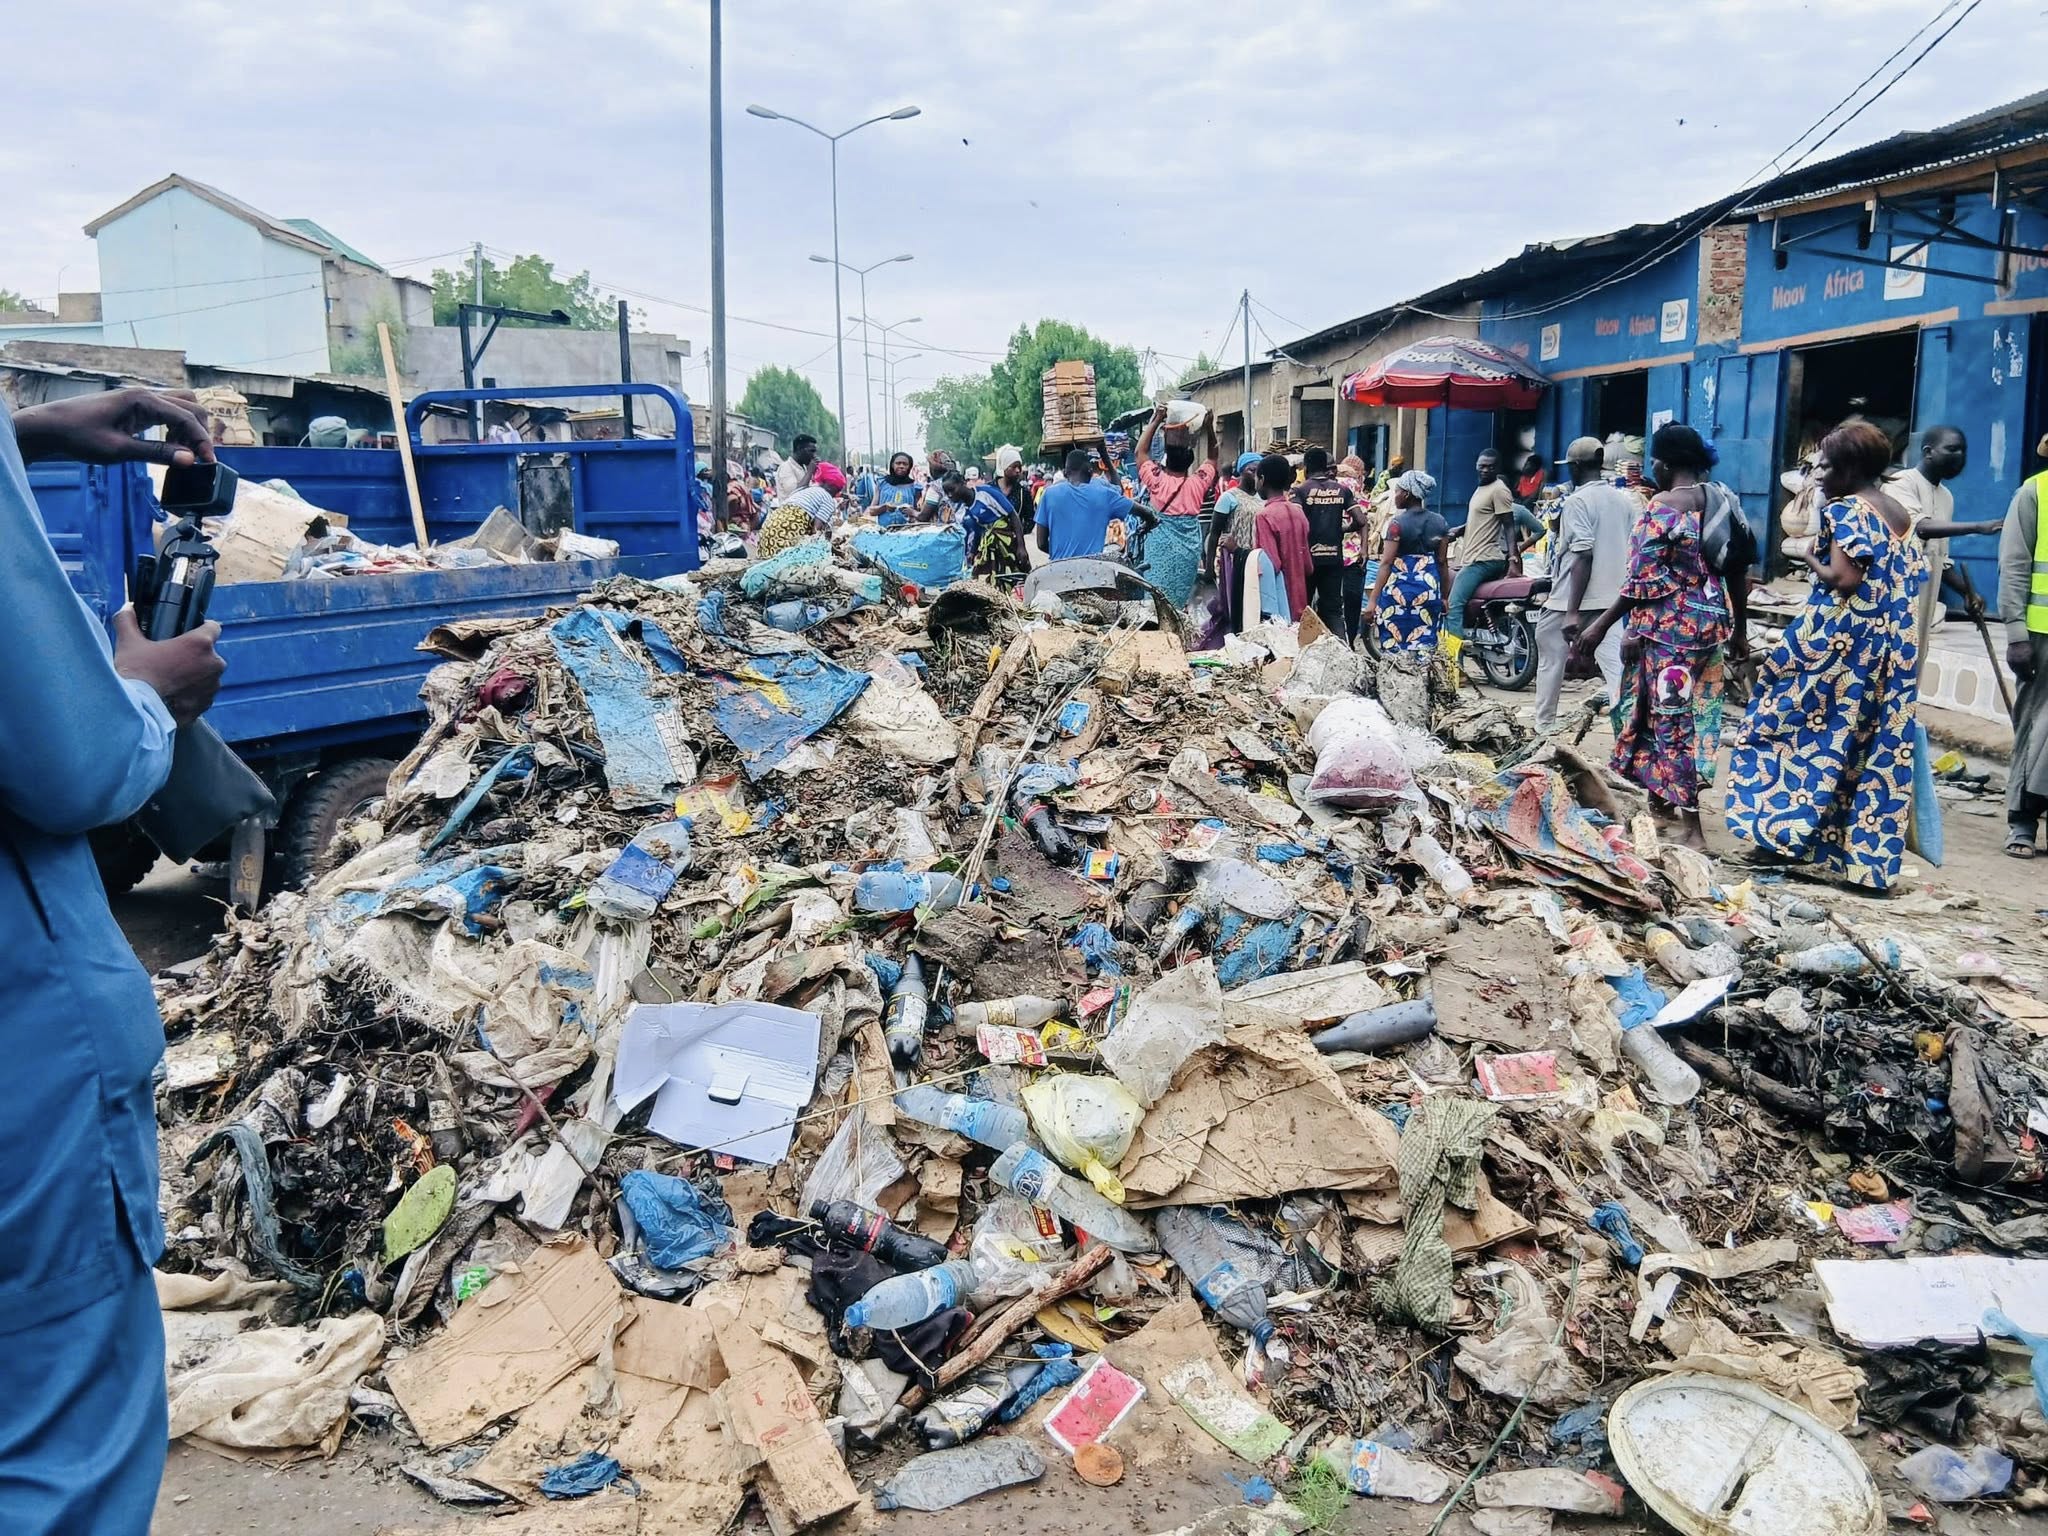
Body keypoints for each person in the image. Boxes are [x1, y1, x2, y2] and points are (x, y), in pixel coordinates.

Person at [1, 388, 229, 1535]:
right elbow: (72, 763)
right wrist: (147, 694)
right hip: (19, 1060)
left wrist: (22, 434)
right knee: (58, 1450)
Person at [1724, 420, 1926, 888]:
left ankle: (1777, 838)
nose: (1818, 475)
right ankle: (1865, 866)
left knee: (1781, 728)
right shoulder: (1899, 512)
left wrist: (1806, 554)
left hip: (1838, 646)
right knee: (1868, 750)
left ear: (1851, 468)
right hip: (1891, 650)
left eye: (1826, 466)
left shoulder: (1845, 510)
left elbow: (1844, 579)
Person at [1573, 423, 1744, 850]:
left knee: (1671, 723)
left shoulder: (1662, 508)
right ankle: (1659, 800)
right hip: (1711, 628)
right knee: (1677, 716)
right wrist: (1739, 630)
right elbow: (1738, 568)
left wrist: (1600, 626)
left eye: (1654, 461)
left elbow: (1641, 582)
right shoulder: (1720, 499)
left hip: (1671, 635)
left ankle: (1694, 830)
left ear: (1665, 464)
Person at [1533, 438, 1638, 733]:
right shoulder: (1624, 500)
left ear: (1576, 467)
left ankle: (1543, 729)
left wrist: (1572, 611)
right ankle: (1628, 734)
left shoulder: (1577, 502)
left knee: (1550, 659)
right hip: (1611, 601)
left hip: (1569, 599)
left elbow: (1583, 554)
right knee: (1617, 671)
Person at [1889, 426, 2003, 671]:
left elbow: (1939, 556)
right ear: (1928, 451)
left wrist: (1967, 592)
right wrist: (1977, 527)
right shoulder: (1901, 483)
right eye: (1952, 449)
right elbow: (1919, 527)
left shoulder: (1946, 496)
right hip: (1896, 598)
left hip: (1925, 602)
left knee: (1915, 662)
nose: (1959, 456)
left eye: (1963, 451)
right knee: (1892, 662)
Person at [2000, 440, 2048, 857]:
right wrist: (2016, 635)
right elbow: (2014, 564)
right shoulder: (2034, 493)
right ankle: (2022, 822)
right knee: (2033, 727)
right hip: (2040, 633)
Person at [1133, 404, 1219, 607]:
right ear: (1190, 463)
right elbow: (1213, 457)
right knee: (1178, 602)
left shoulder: (1157, 481)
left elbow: (1140, 452)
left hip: (1159, 552)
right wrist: (1209, 427)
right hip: (1188, 554)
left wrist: (1156, 419)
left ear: (1166, 462)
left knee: (1155, 601)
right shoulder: (1198, 482)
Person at [1362, 470, 1450, 654]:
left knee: (1395, 644)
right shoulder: (1440, 522)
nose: (1395, 495)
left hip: (1398, 591)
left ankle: (1397, 670)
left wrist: (1372, 601)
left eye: (1398, 491)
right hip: (1427, 590)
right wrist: (1444, 597)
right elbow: (1442, 562)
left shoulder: (1397, 524)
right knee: (1425, 644)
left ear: (1407, 494)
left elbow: (1386, 563)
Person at [1291, 446, 1363, 641]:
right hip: (1334, 558)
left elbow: (1297, 522)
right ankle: (1343, 650)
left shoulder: (1300, 491)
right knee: (1333, 611)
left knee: (1303, 610)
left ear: (1306, 468)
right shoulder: (1342, 490)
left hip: (1308, 560)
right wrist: (1343, 529)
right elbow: (1361, 520)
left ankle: (1301, 650)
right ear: (1326, 467)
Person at [1446, 449, 1516, 639]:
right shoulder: (1482, 487)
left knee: (1453, 606)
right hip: (1473, 558)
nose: (1485, 470)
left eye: (1490, 467)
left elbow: (1509, 525)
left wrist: (1513, 559)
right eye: (1482, 466)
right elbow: (1483, 519)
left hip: (1484, 559)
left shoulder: (1499, 489)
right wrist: (1459, 530)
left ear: (1498, 468)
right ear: (1476, 466)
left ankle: (1452, 656)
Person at [1036, 447, 1139, 561]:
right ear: (1090, 471)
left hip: (1058, 565)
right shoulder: (1102, 490)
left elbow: (1041, 543)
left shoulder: (1049, 494)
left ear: (1065, 472)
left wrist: (1062, 554)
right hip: (1093, 566)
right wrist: (1104, 455)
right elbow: (1121, 491)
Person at [1206, 452, 1265, 634]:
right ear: (1241, 471)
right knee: (1234, 603)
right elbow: (1214, 533)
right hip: (1233, 559)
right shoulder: (1229, 497)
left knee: (1254, 602)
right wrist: (1209, 567)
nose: (1255, 474)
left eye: (1258, 471)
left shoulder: (1263, 498)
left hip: (1255, 558)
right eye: (1251, 470)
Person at [1254, 452, 1311, 622]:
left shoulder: (1264, 516)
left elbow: (1271, 564)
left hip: (1279, 600)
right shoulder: (1298, 512)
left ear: (1262, 479)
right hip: (1300, 596)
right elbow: (1308, 566)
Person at [756, 460, 846, 559]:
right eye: (837, 490)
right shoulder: (828, 499)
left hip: (767, 533)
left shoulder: (807, 490)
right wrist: (827, 551)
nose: (836, 494)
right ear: (832, 487)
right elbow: (816, 531)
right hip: (785, 535)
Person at [954, 469, 1023, 578]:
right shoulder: (966, 508)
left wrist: (1021, 546)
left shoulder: (985, 492)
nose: (950, 495)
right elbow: (978, 531)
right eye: (947, 492)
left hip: (1007, 541)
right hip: (989, 546)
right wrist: (972, 552)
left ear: (962, 483)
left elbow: (1013, 515)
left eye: (952, 489)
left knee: (1016, 574)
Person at [996, 446, 1036, 545]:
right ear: (1005, 467)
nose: (1018, 470)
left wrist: (1016, 533)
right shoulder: (990, 490)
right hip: (991, 545)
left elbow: (1030, 520)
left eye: (1019, 467)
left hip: (1014, 545)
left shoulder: (1023, 492)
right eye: (1014, 467)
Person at [873, 452, 922, 523]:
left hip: (907, 528)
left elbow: (918, 512)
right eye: (898, 463)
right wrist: (884, 507)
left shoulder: (914, 487)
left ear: (909, 467)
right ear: (892, 465)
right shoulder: (882, 483)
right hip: (883, 528)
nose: (901, 466)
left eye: (905, 464)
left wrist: (912, 512)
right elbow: (871, 511)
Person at [774, 433, 818, 500]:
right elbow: (794, 494)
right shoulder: (786, 467)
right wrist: (810, 472)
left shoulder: (804, 468)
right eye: (811, 451)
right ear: (799, 449)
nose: (814, 455)